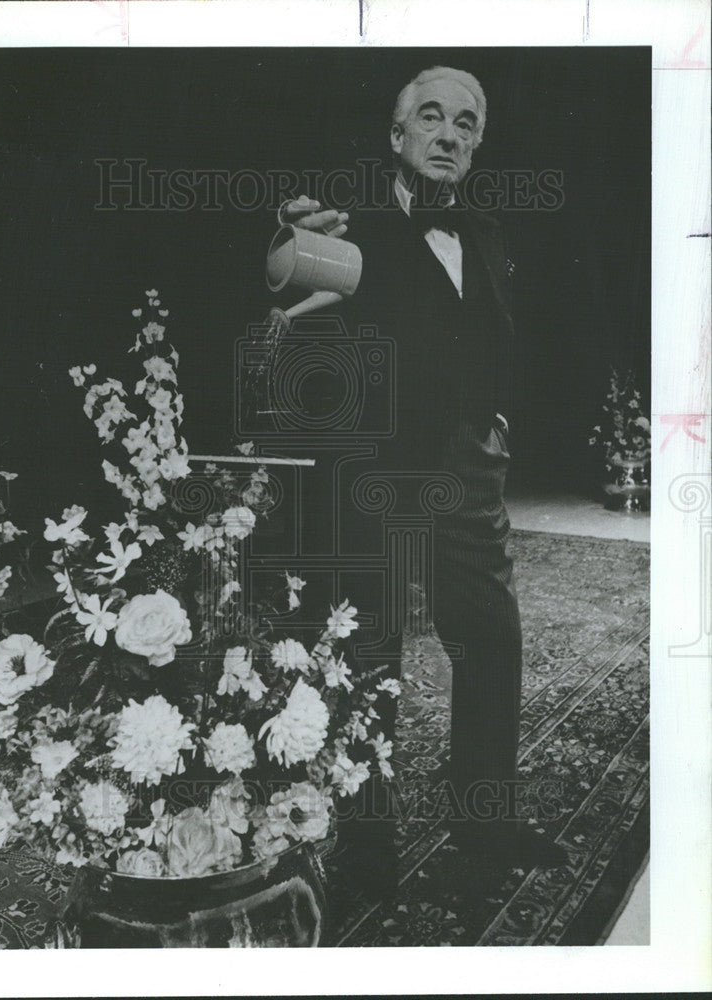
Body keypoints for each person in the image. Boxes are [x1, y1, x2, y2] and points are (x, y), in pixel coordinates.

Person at [276, 66, 567, 871]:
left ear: (475, 145)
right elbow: (286, 277)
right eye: (430, 118)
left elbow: (498, 336)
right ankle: (366, 842)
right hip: (375, 475)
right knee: (373, 648)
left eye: (465, 124)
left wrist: (494, 424)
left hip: (468, 471)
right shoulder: (349, 228)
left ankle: (484, 824)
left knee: (491, 640)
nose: (447, 134)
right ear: (396, 136)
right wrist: (292, 232)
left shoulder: (486, 232)